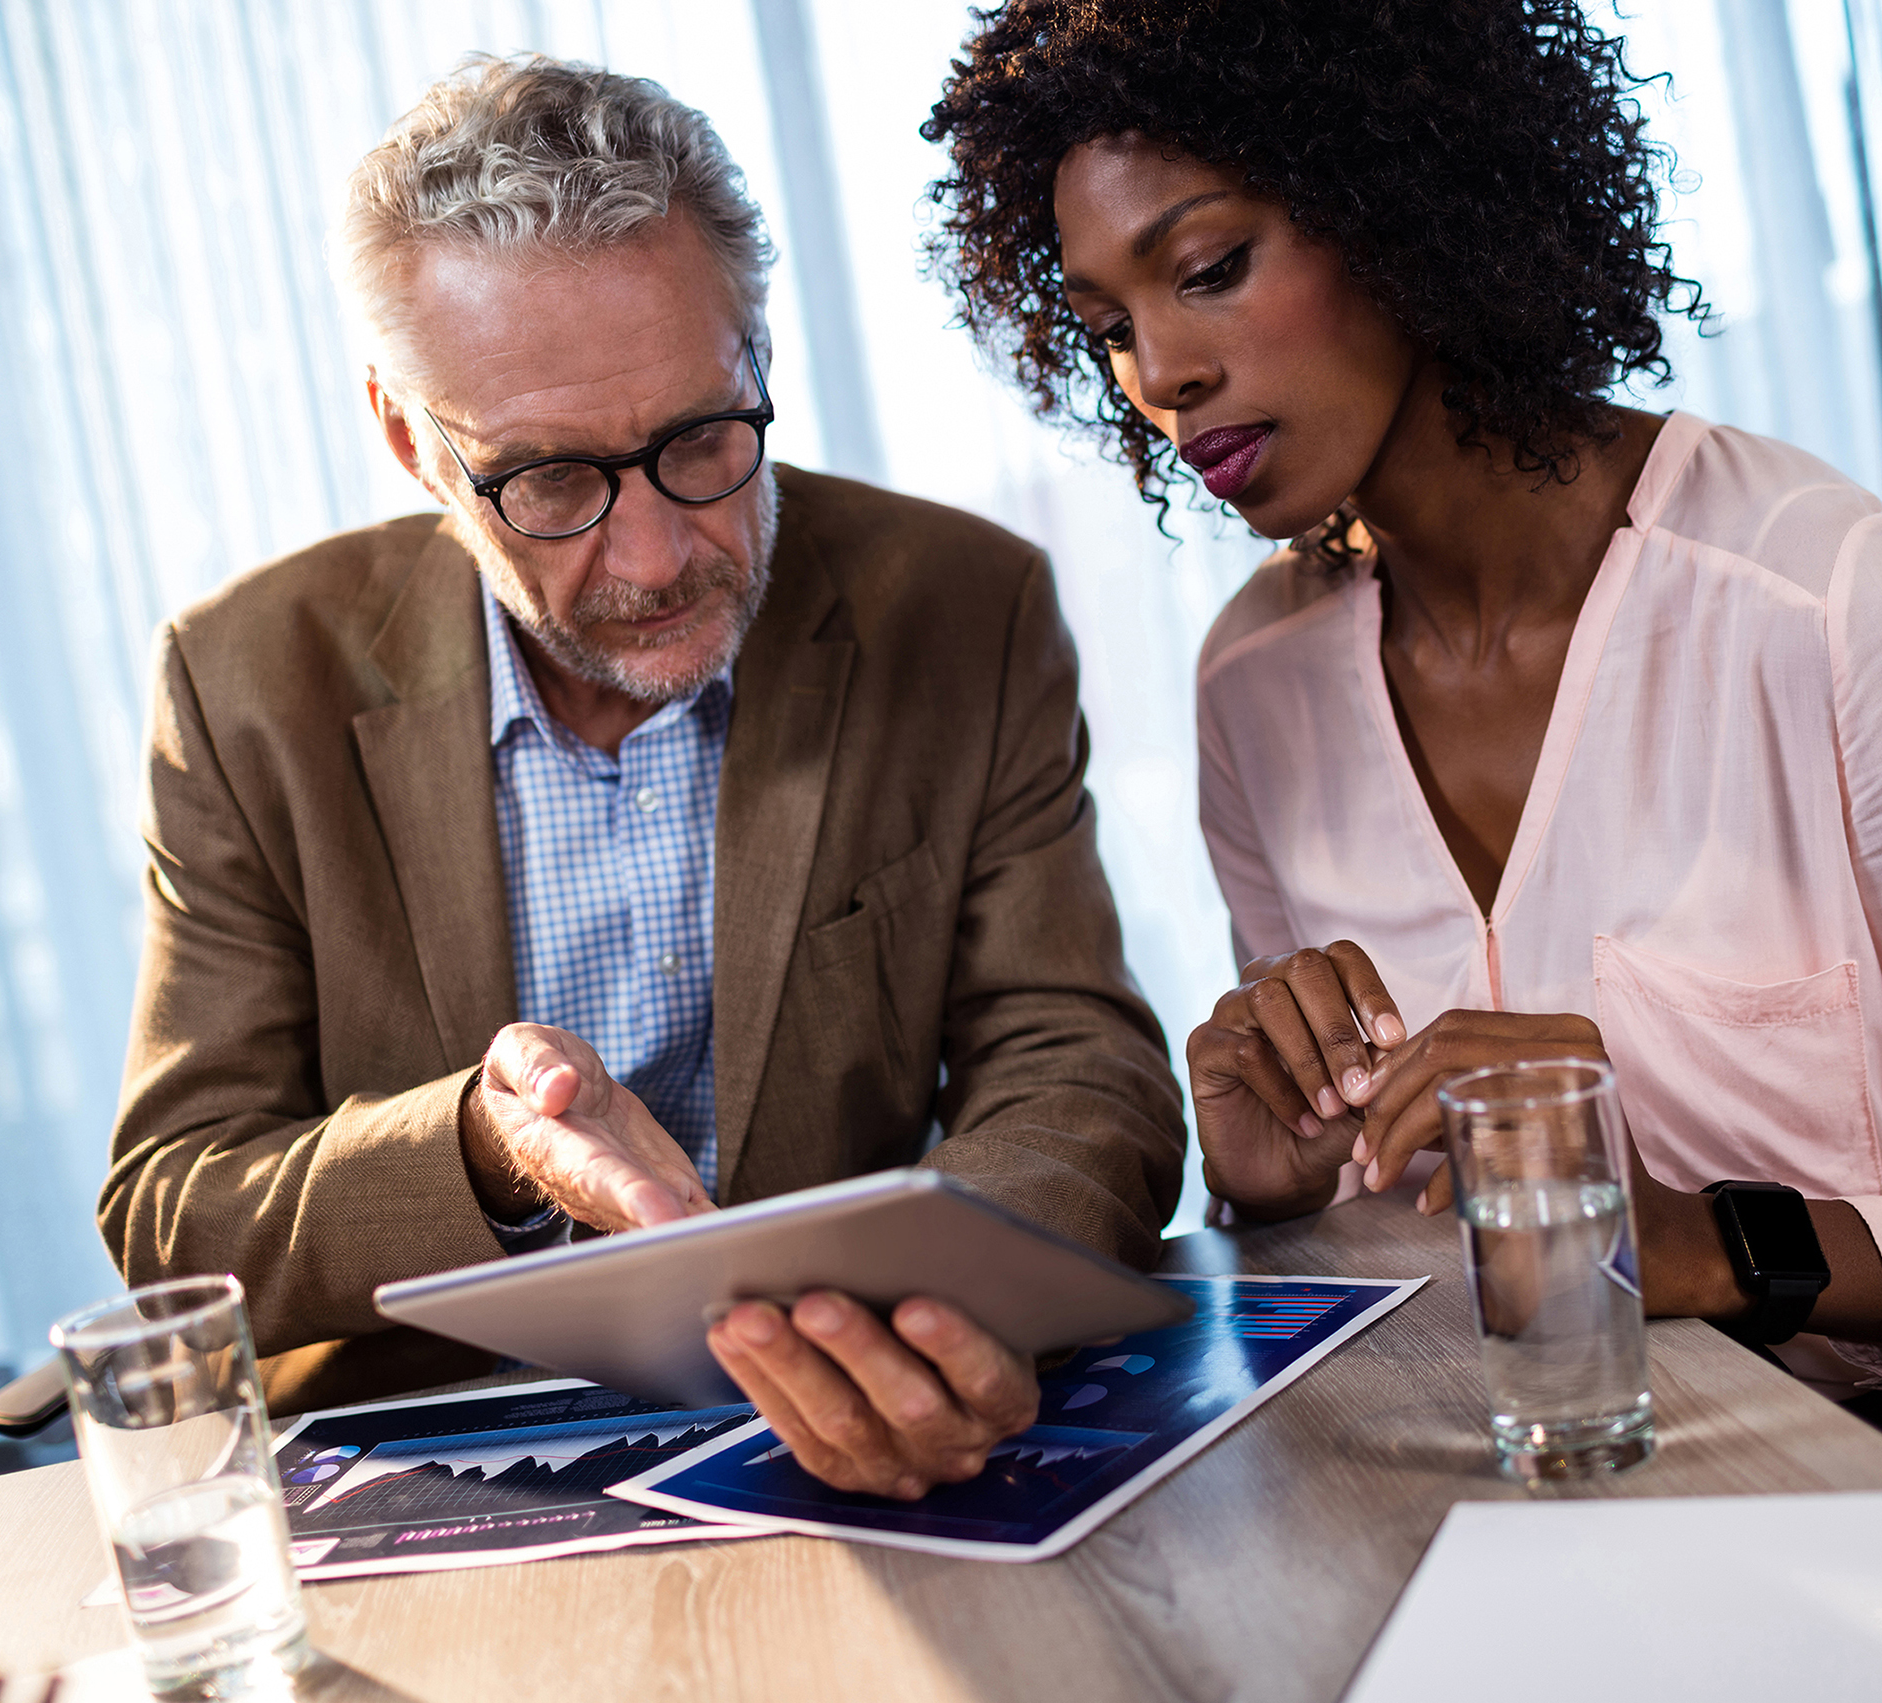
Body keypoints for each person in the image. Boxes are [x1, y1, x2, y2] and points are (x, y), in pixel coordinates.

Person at [923, 0, 1882, 1481]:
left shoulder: (1815, 598)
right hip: (1521, 1470)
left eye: (1211, 270)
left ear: (1402, 203)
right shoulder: (1258, 683)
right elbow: (1383, 1236)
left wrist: (1700, 1242)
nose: (1159, 372)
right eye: (1109, 327)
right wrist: (1266, 1186)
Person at [103, 55, 1183, 1500]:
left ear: (757, 356)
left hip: (860, 1435)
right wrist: (483, 1150)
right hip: (444, 1465)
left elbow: (1076, 1062)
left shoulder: (962, 608)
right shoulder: (245, 687)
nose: (661, 556)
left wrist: (930, 1301)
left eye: (702, 440)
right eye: (550, 482)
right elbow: (174, 1205)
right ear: (411, 441)